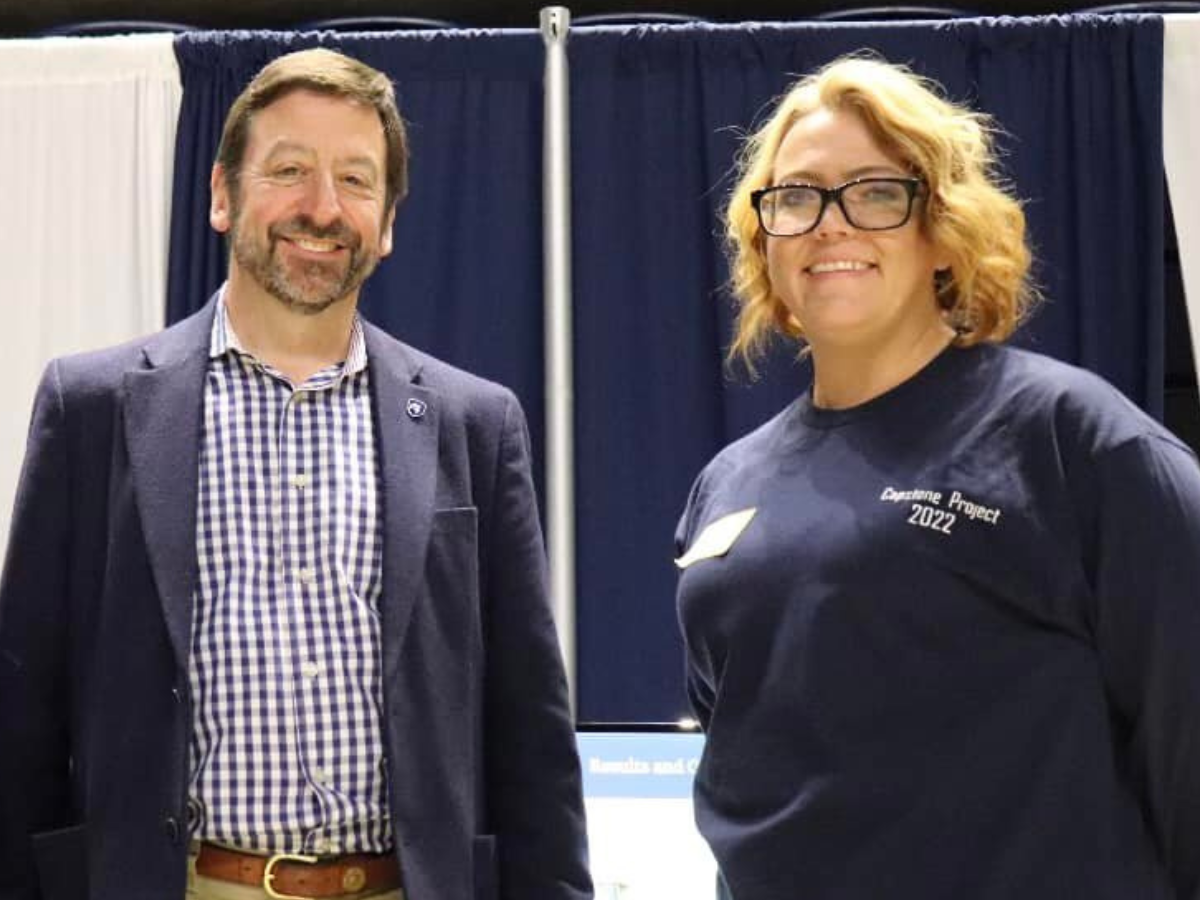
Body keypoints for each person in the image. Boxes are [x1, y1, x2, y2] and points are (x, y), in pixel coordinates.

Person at [0, 48, 591, 900]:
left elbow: (530, 734)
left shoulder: (476, 424)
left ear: (386, 222)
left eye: (356, 179)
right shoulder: (91, 409)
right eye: (288, 170)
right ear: (220, 194)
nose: (322, 207)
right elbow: (22, 718)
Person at [674, 55, 1200, 900]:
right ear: (762, 241)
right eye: (798, 196)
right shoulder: (727, 486)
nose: (830, 225)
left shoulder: (1073, 443)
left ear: (942, 229)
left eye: (877, 192)